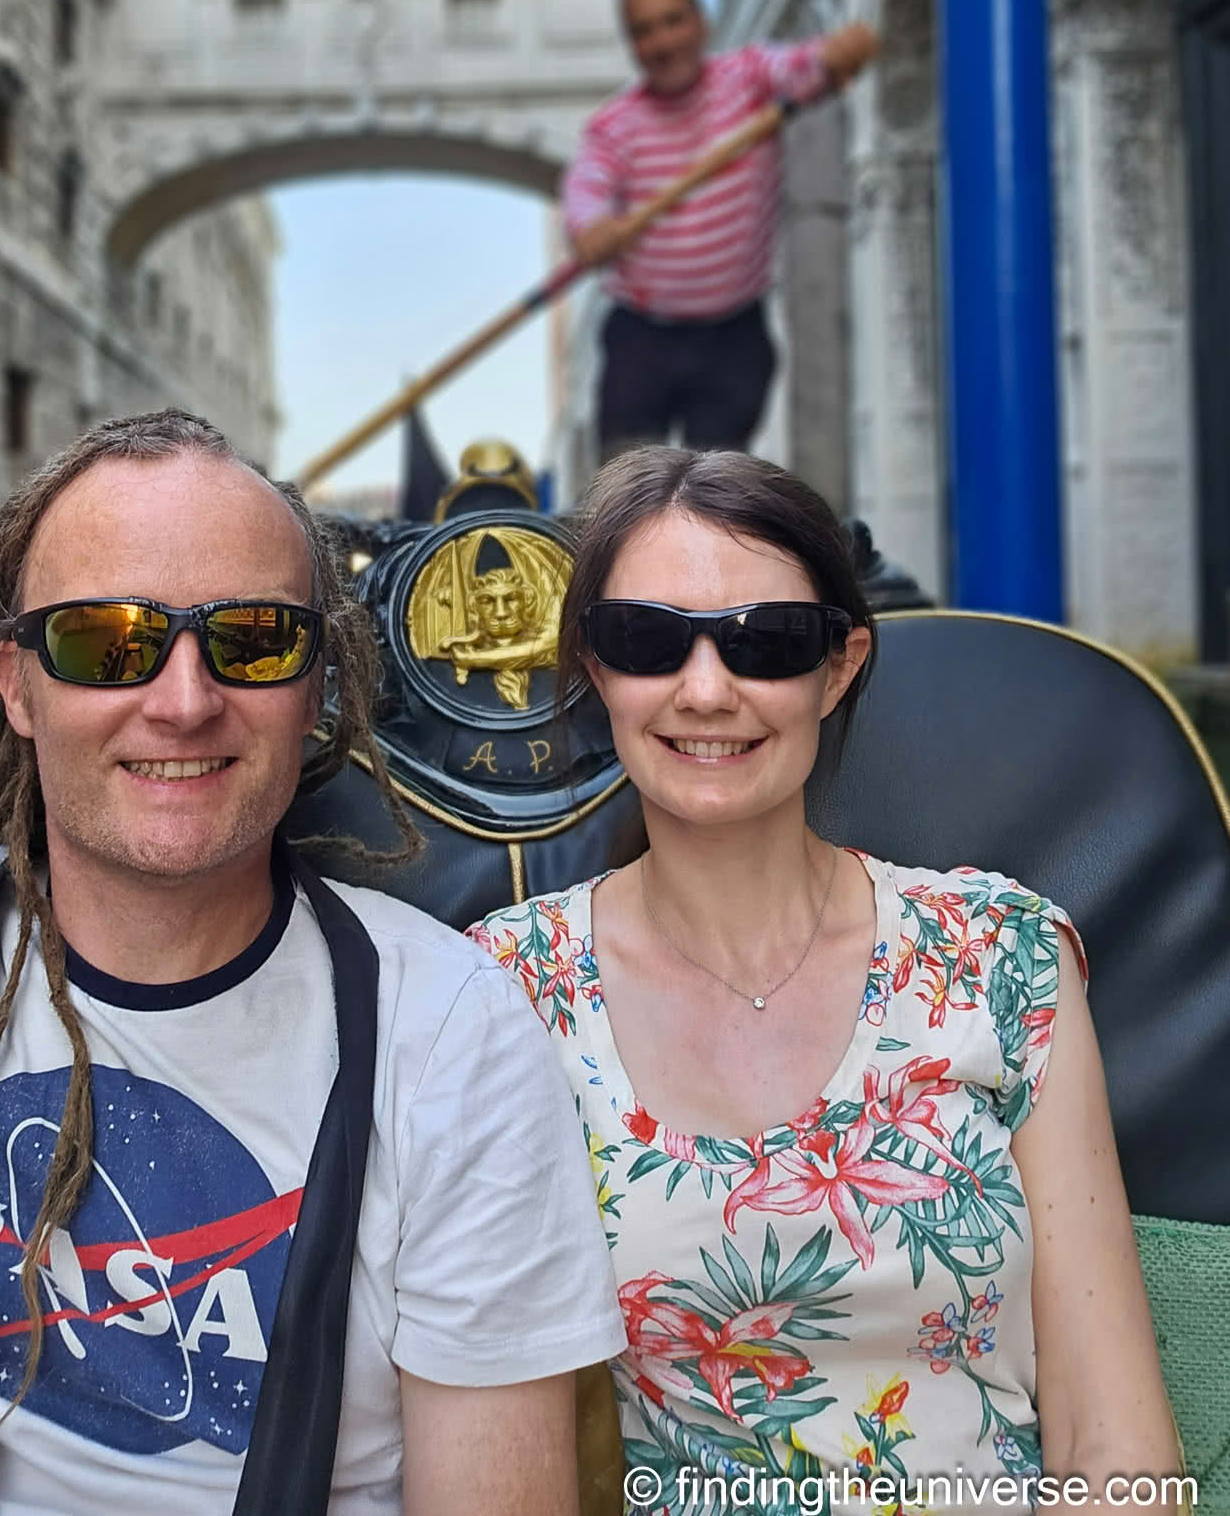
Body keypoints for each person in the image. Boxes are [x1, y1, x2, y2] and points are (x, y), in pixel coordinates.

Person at [0, 409, 625, 1514]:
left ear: (316, 681)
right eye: (106, 641)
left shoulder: (452, 1034)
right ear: (16, 682)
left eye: (252, 638)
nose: (185, 700)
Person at [471, 446, 1182, 1509]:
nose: (706, 688)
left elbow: (1112, 1435)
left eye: (765, 642)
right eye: (649, 639)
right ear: (594, 665)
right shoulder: (502, 992)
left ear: (838, 665)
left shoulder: (1001, 958)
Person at [563, 0, 879, 463]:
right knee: (625, 483)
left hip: (734, 333)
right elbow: (586, 192)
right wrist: (591, 229)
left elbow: (803, 67)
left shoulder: (751, 78)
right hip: (643, 336)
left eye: (673, 21)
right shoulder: (613, 126)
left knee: (719, 488)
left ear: (701, 23)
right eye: (644, 31)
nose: (663, 42)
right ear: (631, 45)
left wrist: (835, 54)